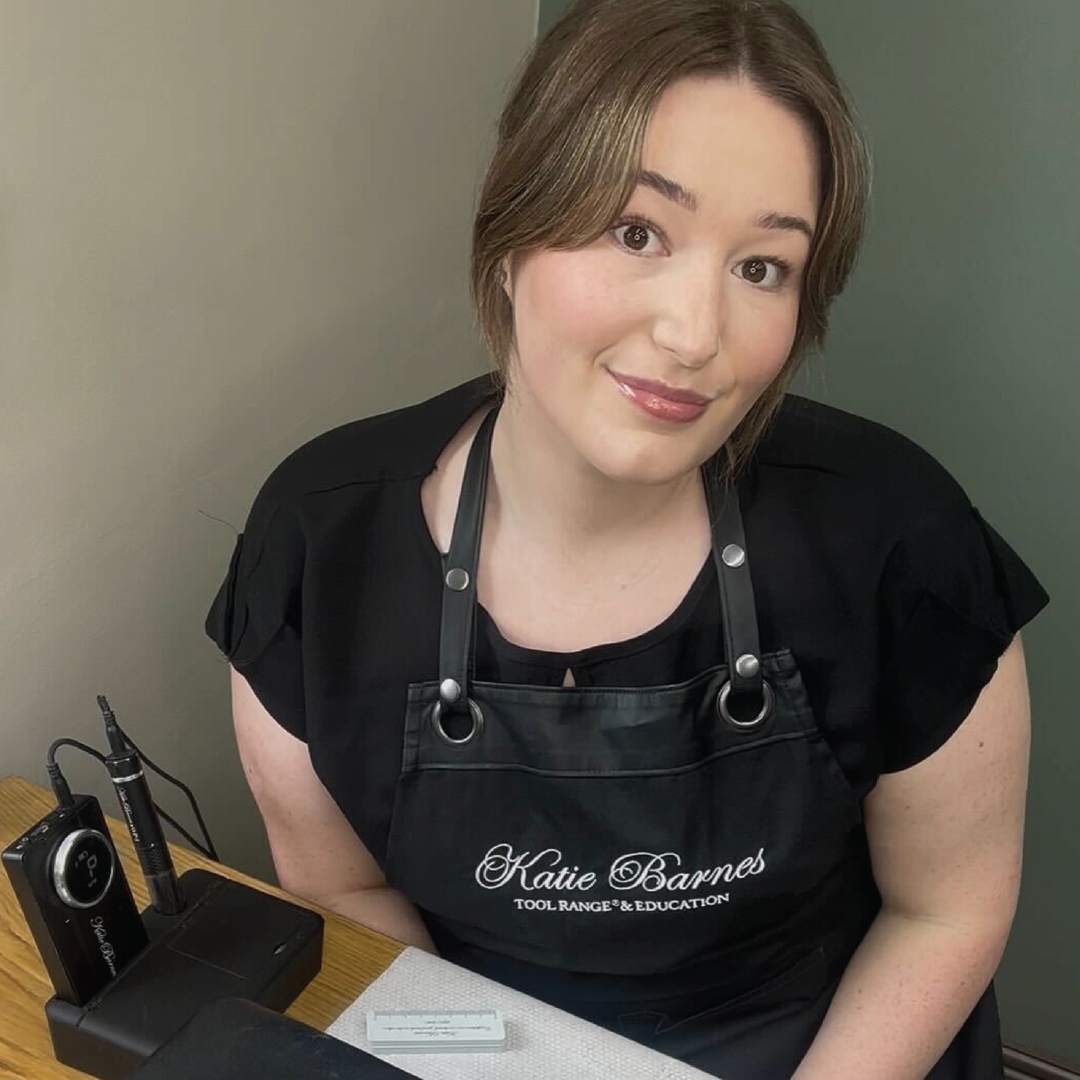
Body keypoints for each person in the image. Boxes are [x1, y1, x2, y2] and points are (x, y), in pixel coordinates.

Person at [204, 1, 1051, 1076]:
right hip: (486, 1044)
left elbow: (947, 910)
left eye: (762, 268)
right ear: (513, 228)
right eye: (637, 230)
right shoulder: (320, 549)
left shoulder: (898, 543)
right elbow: (343, 891)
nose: (697, 334)